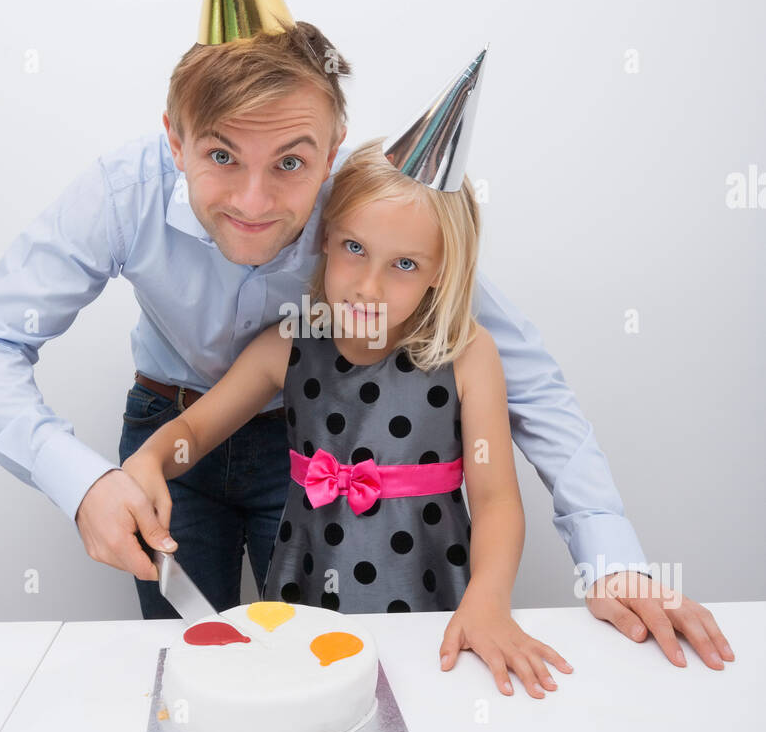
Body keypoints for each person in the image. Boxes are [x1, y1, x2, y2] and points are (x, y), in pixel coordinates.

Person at [0, 0, 733, 673]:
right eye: (218, 155)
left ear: (335, 139)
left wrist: (610, 555)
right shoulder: (120, 192)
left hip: (315, 444)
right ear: (173, 140)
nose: (254, 201)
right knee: (188, 666)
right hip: (171, 428)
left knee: (318, 665)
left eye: (289, 160)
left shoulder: (374, 207)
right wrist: (85, 481)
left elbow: (528, 383)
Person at [122, 127, 578, 698]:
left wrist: (489, 600)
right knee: (311, 710)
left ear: (441, 269)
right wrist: (150, 457)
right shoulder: (287, 343)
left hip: (427, 592)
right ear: (326, 240)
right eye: (354, 249)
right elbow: (192, 429)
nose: (367, 286)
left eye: (405, 264)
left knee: (426, 714)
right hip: (306, 594)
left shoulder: (468, 354)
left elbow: (496, 502)